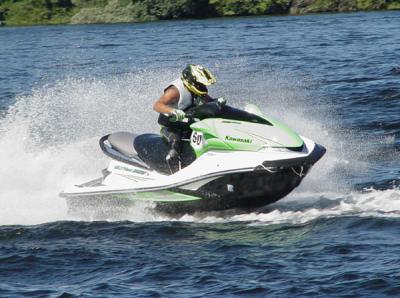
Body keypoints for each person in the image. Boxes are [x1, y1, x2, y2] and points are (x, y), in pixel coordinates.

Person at [153, 64, 217, 162]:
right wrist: (173, 111)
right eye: (200, 84)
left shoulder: (196, 87)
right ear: (191, 81)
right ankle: (171, 163)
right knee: (175, 144)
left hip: (186, 119)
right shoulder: (174, 91)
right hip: (170, 123)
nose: (203, 86)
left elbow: (207, 100)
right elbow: (157, 105)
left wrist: (217, 104)